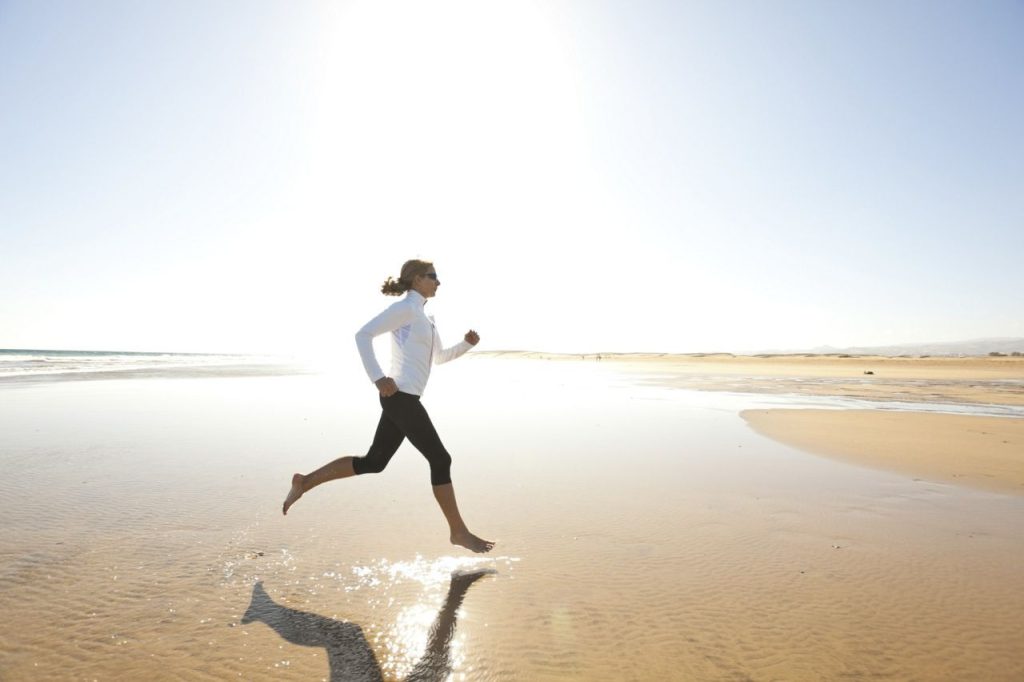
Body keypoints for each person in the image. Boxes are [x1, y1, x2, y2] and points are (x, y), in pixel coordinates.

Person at [282, 259, 494, 553]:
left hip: (406, 397)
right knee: (441, 459)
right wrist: (378, 378)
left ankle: (304, 482)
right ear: (417, 279)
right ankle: (458, 532)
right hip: (400, 395)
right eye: (433, 277)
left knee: (374, 462)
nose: (438, 282)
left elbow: (440, 357)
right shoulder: (405, 309)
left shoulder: (423, 316)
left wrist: (466, 344)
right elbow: (363, 335)